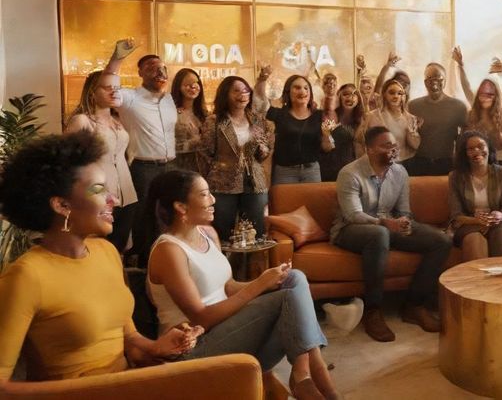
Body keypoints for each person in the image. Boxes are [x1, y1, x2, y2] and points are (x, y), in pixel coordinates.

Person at [0, 132, 201, 388]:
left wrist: (158, 347)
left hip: (127, 386)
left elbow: (129, 339)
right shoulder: (25, 276)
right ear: (62, 205)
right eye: (98, 190)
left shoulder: (106, 253)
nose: (114, 200)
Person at [144, 170, 339, 400]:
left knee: (293, 278)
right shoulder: (169, 250)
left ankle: (304, 373)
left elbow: (227, 286)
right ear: (181, 207)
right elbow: (200, 318)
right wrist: (259, 286)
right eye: (205, 195)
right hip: (193, 348)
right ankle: (315, 382)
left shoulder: (207, 233)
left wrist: (266, 280)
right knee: (287, 299)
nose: (213, 200)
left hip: (229, 332)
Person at [331, 127, 451, 342]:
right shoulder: (349, 173)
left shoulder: (400, 172)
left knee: (440, 241)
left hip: (387, 226)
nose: (393, 149)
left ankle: (414, 305)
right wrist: (384, 222)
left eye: (394, 145)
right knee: (379, 234)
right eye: (386, 145)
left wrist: (404, 222)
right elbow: (352, 214)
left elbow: (404, 209)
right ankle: (373, 310)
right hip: (350, 230)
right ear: (369, 149)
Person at [104, 38, 178, 254]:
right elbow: (108, 87)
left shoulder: (169, 100)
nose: (158, 71)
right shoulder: (130, 98)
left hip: (171, 166)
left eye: (162, 67)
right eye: (151, 68)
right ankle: (145, 264)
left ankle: (168, 259)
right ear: (140, 73)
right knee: (145, 218)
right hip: (143, 168)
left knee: (169, 217)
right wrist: (116, 59)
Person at [65, 70, 137, 253]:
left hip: (127, 191)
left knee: (118, 247)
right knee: (97, 245)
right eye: (107, 88)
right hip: (98, 191)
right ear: (92, 92)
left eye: (117, 88)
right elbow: (67, 161)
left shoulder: (118, 121)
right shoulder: (82, 120)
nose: (114, 92)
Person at [200, 76, 273, 242]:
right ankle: (224, 266)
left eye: (246, 90)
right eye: (237, 91)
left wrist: (263, 148)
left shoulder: (257, 120)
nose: (242, 95)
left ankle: (253, 267)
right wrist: (220, 169)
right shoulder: (215, 121)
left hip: (255, 182)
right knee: (223, 230)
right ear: (226, 94)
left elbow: (263, 155)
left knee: (256, 231)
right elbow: (205, 152)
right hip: (223, 183)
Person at [448, 131, 502, 261]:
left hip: (500, 224)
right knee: (474, 239)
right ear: (464, 154)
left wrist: (500, 215)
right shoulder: (456, 177)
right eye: (470, 149)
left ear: (488, 149)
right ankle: (478, 281)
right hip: (469, 225)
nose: (476, 151)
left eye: (481, 146)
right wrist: (477, 220)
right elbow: (456, 215)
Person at [254, 68, 333, 184]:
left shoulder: (319, 115)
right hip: (285, 172)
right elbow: (260, 103)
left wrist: (327, 137)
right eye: (297, 88)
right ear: (288, 92)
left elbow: (328, 147)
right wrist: (262, 79)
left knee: (313, 202)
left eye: (306, 88)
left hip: (311, 171)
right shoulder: (279, 114)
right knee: (286, 202)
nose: (302, 91)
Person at [407, 59, 467, 176]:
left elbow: (465, 136)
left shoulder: (459, 106)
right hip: (419, 163)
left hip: (447, 163)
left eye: (438, 78)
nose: (434, 83)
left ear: (445, 81)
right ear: (424, 82)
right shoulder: (413, 106)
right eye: (429, 79)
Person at [356, 79, 421, 170]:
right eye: (391, 92)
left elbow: (416, 146)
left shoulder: (411, 119)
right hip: (378, 165)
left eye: (399, 93)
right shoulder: (372, 117)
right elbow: (359, 141)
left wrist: (412, 137)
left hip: (404, 165)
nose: (396, 96)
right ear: (384, 95)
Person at [320, 84, 364, 182]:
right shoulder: (330, 116)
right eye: (345, 94)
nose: (350, 97)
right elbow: (326, 147)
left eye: (353, 94)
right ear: (339, 97)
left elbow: (360, 148)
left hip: (351, 168)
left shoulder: (361, 120)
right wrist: (328, 133)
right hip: (329, 167)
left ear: (358, 99)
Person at [171, 68, 209, 177]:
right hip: (179, 169)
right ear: (178, 86)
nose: (193, 87)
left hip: (205, 170)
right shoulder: (171, 112)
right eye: (187, 84)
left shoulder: (206, 114)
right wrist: (191, 144)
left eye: (196, 83)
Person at [464, 78, 502, 153]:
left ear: (496, 97)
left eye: (490, 95)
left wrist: (488, 119)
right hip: (473, 158)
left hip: (494, 159)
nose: (485, 98)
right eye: (482, 94)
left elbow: (501, 145)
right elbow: (465, 140)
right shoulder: (470, 115)